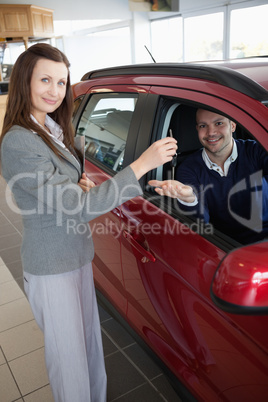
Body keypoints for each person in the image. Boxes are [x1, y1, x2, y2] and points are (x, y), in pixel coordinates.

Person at [0, 43, 177, 402]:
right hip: (52, 267)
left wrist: (78, 184)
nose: (55, 90)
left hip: (76, 256)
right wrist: (142, 164)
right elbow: (76, 208)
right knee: (70, 363)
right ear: (24, 82)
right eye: (45, 80)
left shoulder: (50, 128)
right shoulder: (19, 140)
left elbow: (64, 192)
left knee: (88, 348)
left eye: (62, 82)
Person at [149, 108, 268, 245]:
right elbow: (201, 224)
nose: (211, 133)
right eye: (203, 126)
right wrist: (189, 199)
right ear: (197, 129)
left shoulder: (256, 150)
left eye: (218, 123)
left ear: (233, 125)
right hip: (227, 246)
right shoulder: (189, 169)